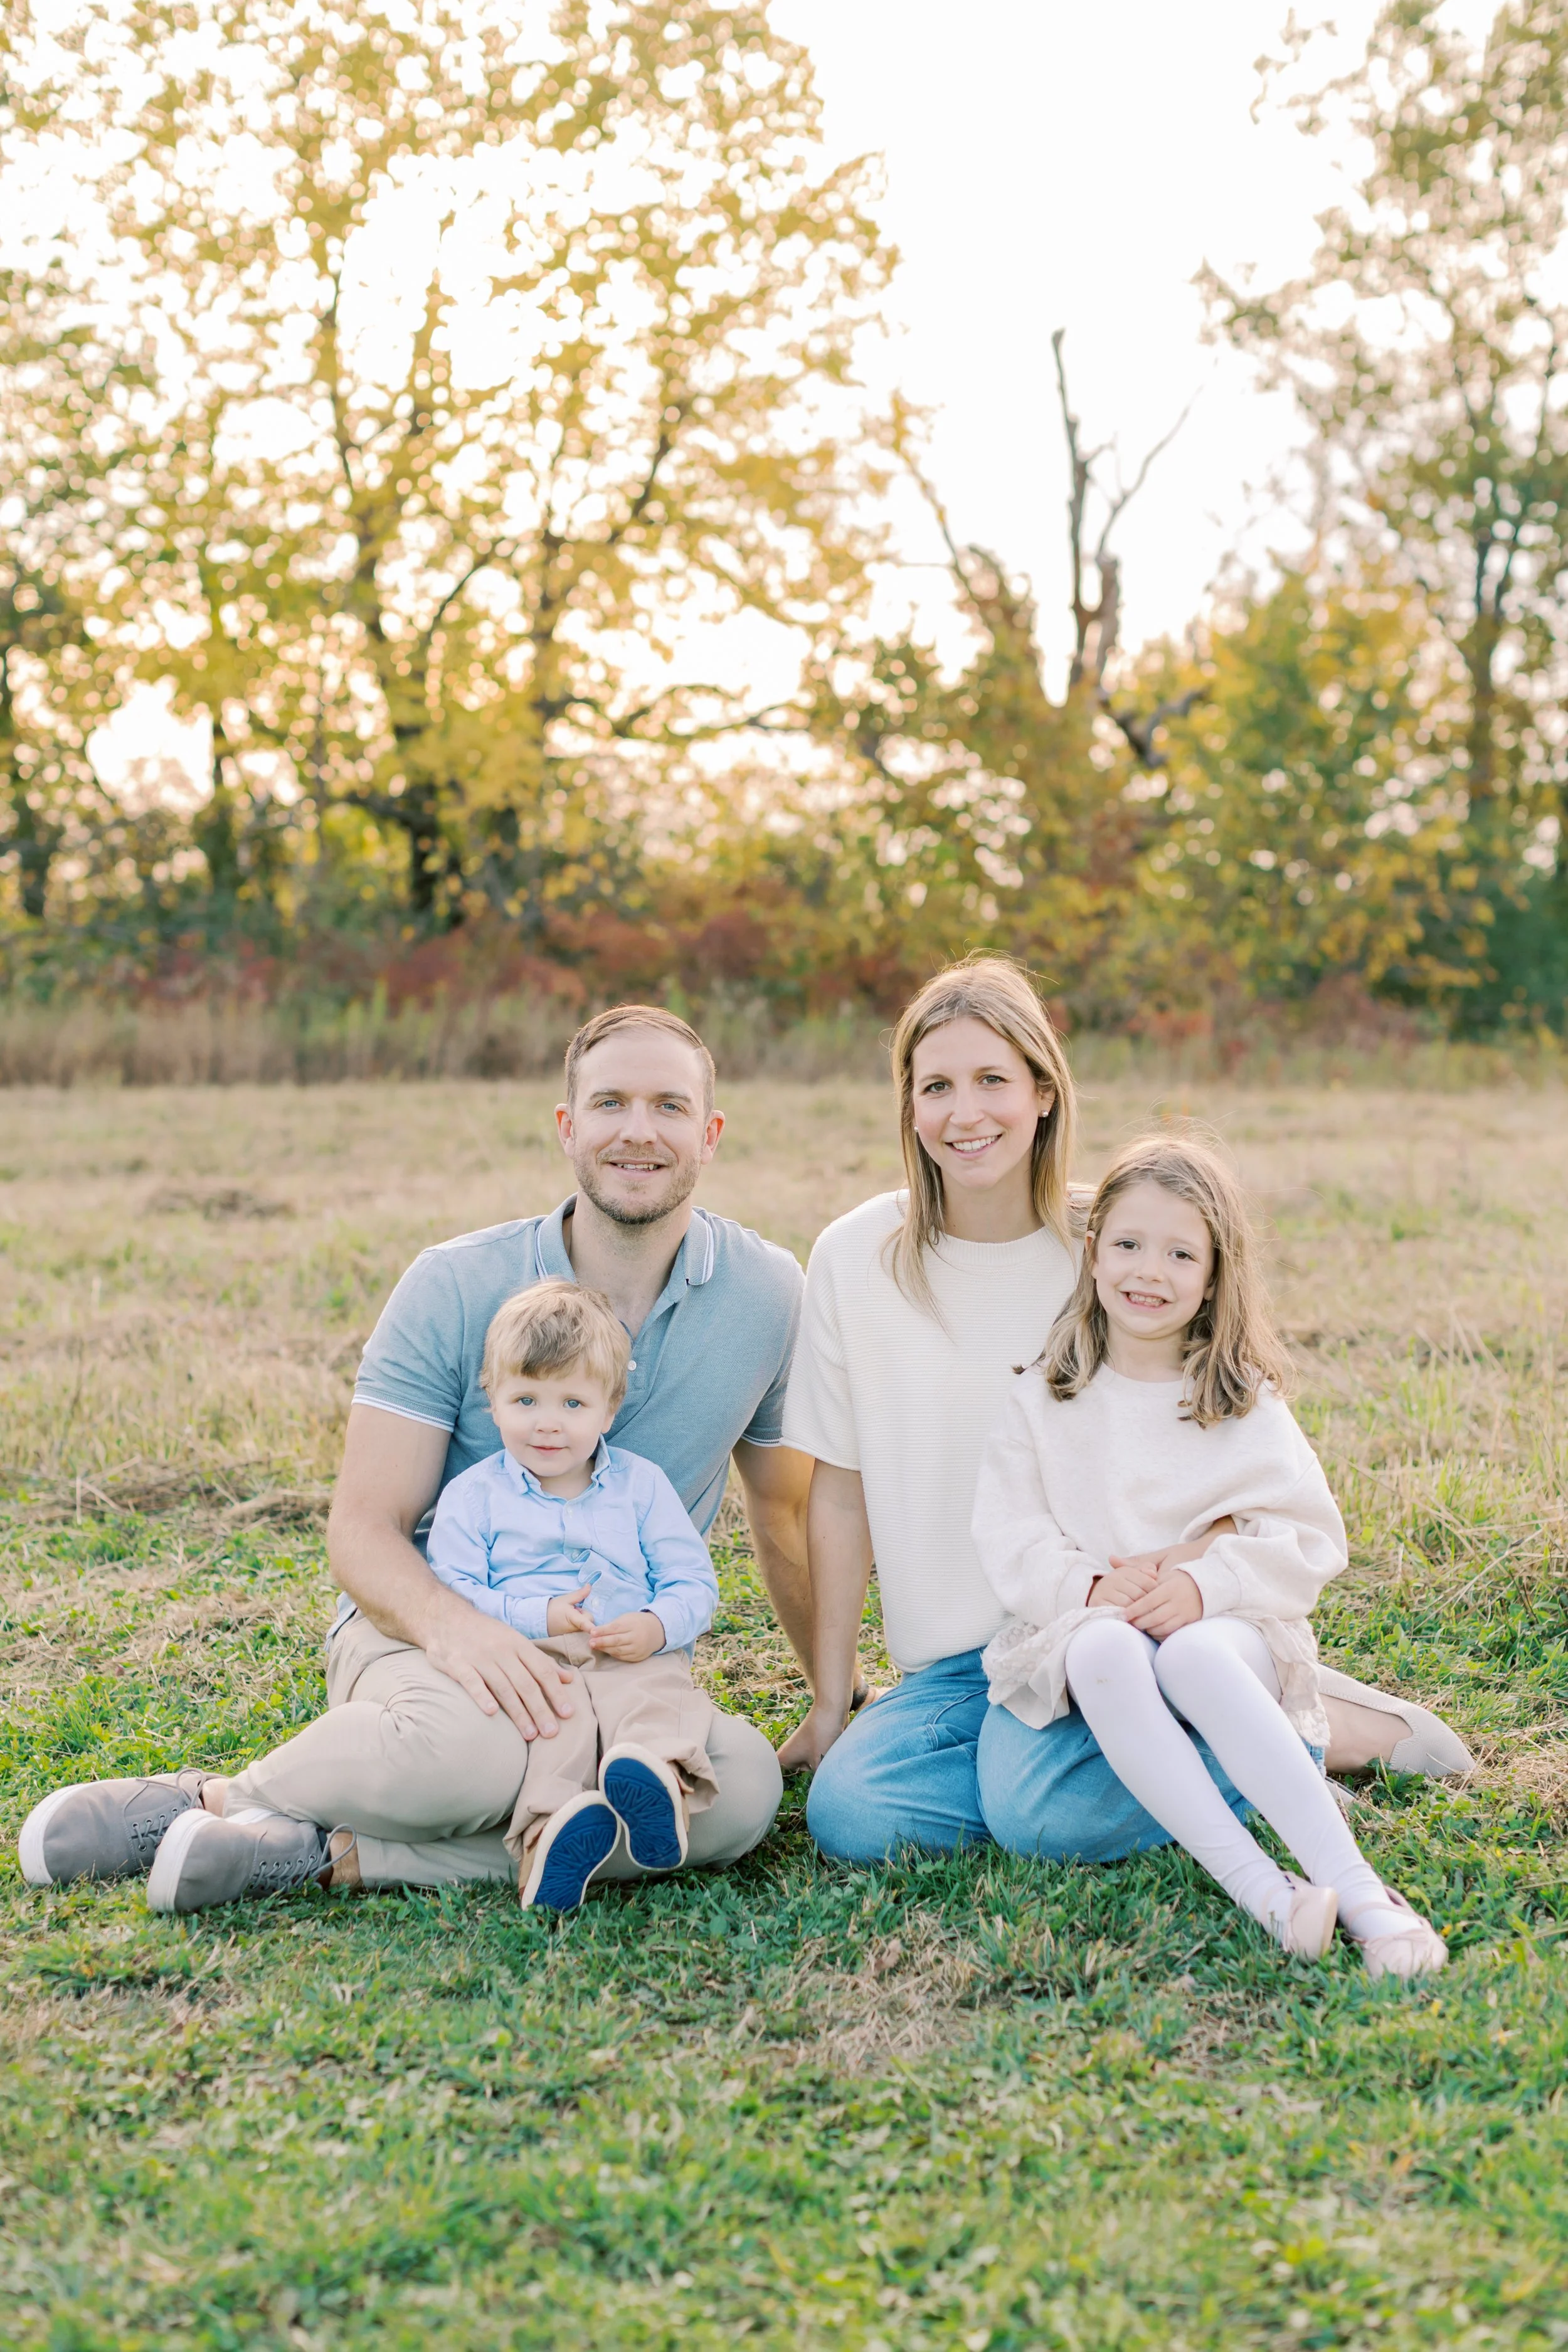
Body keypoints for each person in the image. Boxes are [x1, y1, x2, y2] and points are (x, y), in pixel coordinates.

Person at [20, 1005, 820, 1906]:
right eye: (610, 1103)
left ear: (709, 1135)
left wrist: (834, 1693)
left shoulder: (767, 1293)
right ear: (568, 1128)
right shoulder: (454, 1283)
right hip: (435, 1626)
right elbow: (365, 1530)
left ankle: (326, 1853)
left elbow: (784, 1507)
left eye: (669, 1106)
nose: (639, 1130)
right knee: (472, 1757)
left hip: (615, 1668)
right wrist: (462, 1629)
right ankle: (209, 1800)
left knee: (739, 1793)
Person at [785, 955, 1475, 1865]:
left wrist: (1174, 1574)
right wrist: (833, 1703)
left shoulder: (1114, 1249)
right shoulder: (853, 1255)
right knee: (855, 1811)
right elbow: (838, 1492)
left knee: (1050, 1819)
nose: (966, 1112)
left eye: (994, 1079)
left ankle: (1302, 1729)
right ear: (908, 1105)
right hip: (962, 1667)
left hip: (1131, 1626)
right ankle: (1221, 1733)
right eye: (937, 1085)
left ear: (1043, 1090)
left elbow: (1224, 1441)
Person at [975, 1135, 1446, 1978]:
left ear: (1215, 1274)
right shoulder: (1044, 1394)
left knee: (1192, 1652)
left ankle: (1364, 1893)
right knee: (1103, 1644)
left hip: (1222, 1631)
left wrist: (1206, 1581)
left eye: (1179, 1252)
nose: (1147, 1271)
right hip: (1097, 1626)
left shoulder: (1241, 1401)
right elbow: (1009, 1532)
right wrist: (1087, 1580)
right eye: (1126, 1244)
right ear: (1092, 1253)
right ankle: (1267, 1893)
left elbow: (1307, 1537)